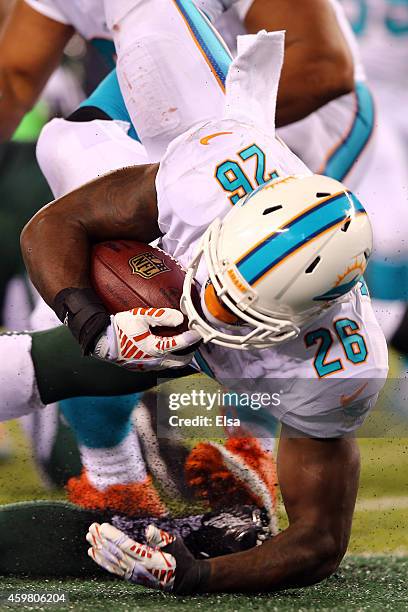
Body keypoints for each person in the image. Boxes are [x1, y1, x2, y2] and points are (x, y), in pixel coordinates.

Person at [19, 29, 388, 593]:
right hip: (198, 170)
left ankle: (251, 461)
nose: (207, 311)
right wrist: (92, 325)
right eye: (219, 286)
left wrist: (195, 574)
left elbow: (319, 540)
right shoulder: (203, 181)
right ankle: (115, 480)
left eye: (239, 309)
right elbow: (55, 223)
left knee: (266, 385)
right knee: (64, 144)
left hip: (301, 145)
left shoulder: (338, 363)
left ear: (298, 320)